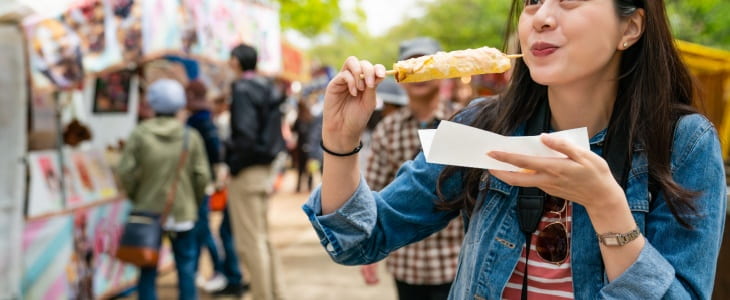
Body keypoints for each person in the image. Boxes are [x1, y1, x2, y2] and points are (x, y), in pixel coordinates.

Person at [303, 1, 727, 299]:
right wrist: (341, 142)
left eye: (569, 1)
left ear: (630, 27)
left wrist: (605, 205)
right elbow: (360, 239)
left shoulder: (683, 144)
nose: (541, 18)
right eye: (533, 1)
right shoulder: (483, 126)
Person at [359, 38, 463, 300]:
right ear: (400, 77)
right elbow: (372, 190)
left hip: (456, 262)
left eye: (426, 65)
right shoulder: (387, 129)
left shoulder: (466, 121)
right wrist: (366, 249)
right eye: (412, 66)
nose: (419, 73)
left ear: (443, 73)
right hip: (406, 264)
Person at [118, 79, 210, 300]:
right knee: (186, 269)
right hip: (183, 214)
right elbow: (202, 177)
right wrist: (193, 203)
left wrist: (137, 195)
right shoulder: (190, 136)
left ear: (152, 104)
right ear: (179, 105)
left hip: (147, 212)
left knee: (147, 270)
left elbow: (125, 173)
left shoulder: (140, 134)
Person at [225, 43, 286, 300]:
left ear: (237, 62)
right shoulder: (267, 88)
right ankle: (275, 293)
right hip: (265, 168)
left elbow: (245, 136)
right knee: (262, 237)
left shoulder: (242, 89)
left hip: (247, 170)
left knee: (251, 242)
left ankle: (263, 295)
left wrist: (233, 163)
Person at [184, 80, 248, 296]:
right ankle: (230, 274)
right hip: (215, 182)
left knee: (213, 232)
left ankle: (228, 275)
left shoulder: (200, 121)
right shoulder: (208, 119)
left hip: (204, 185)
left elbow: (212, 153)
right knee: (217, 231)